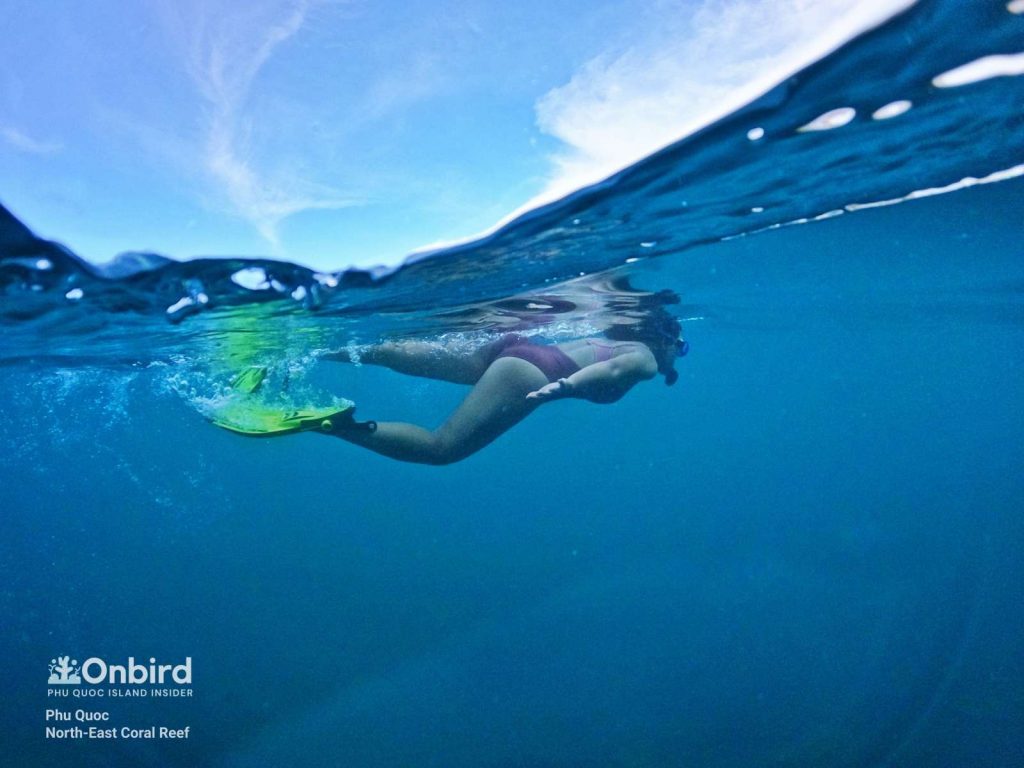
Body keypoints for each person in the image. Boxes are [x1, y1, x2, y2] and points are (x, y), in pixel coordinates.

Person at [321, 310, 688, 465]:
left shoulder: (617, 339)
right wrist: (563, 386)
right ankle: (333, 425)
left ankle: (317, 350)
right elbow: (611, 370)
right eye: (682, 347)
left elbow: (606, 362)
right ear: (667, 340)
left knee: (393, 355)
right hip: (532, 373)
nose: (679, 355)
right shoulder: (645, 359)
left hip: (515, 351)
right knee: (441, 449)